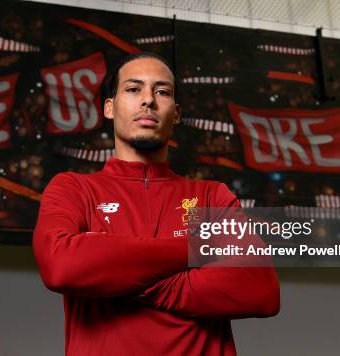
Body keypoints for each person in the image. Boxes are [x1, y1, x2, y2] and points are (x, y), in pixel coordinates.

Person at [33, 52, 280, 356]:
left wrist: (115, 270)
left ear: (175, 114)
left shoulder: (212, 196)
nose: (148, 100)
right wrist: (199, 248)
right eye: (133, 89)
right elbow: (61, 266)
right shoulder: (73, 188)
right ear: (109, 107)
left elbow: (260, 289)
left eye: (161, 91)